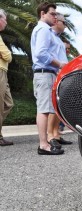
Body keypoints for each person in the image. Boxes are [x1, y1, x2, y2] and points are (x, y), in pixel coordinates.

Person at [30, 2, 66, 155]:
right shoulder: (44, 29)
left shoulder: (45, 30)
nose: (55, 16)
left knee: (45, 109)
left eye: (56, 14)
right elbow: (41, 53)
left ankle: (44, 143)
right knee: (44, 110)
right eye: (52, 13)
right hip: (44, 73)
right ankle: (43, 145)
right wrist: (59, 63)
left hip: (45, 73)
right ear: (42, 14)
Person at [47, 12, 72, 147]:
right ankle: (50, 135)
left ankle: (56, 133)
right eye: (64, 23)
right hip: (54, 72)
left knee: (57, 106)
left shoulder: (57, 38)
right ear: (57, 22)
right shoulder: (49, 34)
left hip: (59, 73)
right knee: (52, 106)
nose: (65, 26)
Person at [0, 9, 14, 146]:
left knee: (8, 104)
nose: (6, 22)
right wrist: (6, 54)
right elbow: (8, 56)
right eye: (5, 19)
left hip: (3, 71)